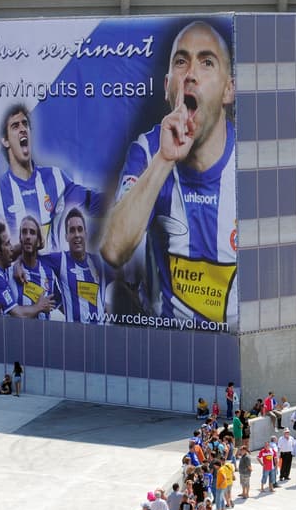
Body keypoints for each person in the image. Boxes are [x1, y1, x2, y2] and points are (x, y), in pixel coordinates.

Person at [101, 20, 237, 328]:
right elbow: (113, 249)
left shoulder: (248, 159)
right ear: (167, 87)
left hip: (240, 347)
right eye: (181, 62)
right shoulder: (148, 151)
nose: (190, 74)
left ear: (229, 89)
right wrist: (165, 158)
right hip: (173, 344)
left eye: (206, 62)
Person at [0, 103, 100, 250]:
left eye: (25, 124)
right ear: (5, 141)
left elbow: (93, 202)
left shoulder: (54, 178)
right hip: (17, 272)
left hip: (51, 272)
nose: (22, 129)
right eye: (15, 126)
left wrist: (125, 198)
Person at [0, 221, 56, 318]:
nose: (11, 248)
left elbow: (20, 248)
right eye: (7, 243)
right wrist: (39, 306)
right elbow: (18, 313)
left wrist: (19, 260)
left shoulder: (2, 269)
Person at [47, 209, 108, 324]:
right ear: (66, 237)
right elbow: (33, 255)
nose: (77, 235)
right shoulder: (60, 260)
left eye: (80, 229)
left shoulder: (99, 262)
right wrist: (19, 263)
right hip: (74, 336)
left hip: (100, 336)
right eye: (72, 230)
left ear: (86, 234)